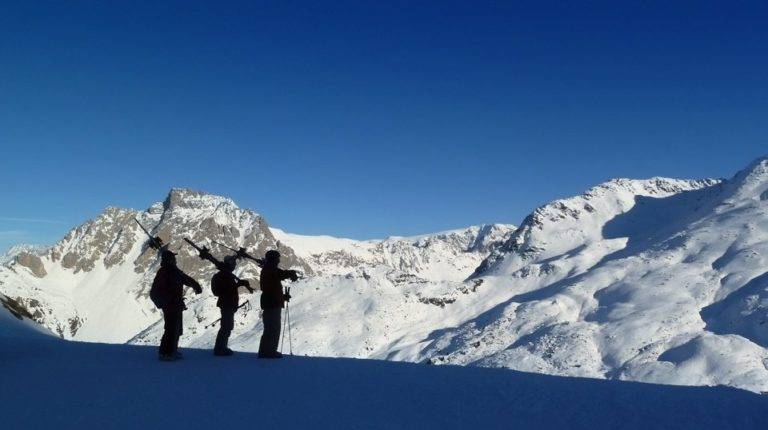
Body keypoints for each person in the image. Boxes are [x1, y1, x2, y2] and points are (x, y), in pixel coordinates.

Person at [149, 249, 202, 361]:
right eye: (173, 258)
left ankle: (172, 350)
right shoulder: (164, 272)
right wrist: (167, 299)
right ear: (169, 259)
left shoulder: (173, 270)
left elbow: (185, 278)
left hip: (176, 303)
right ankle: (165, 353)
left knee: (176, 329)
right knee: (170, 328)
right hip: (170, 304)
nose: (175, 260)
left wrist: (195, 285)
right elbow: (156, 290)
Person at [203, 253, 253, 356]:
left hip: (228, 304)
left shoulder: (225, 275)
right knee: (226, 326)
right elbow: (223, 290)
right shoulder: (224, 276)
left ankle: (222, 347)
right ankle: (220, 348)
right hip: (227, 304)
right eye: (233, 263)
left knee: (227, 326)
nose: (234, 265)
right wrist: (237, 285)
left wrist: (236, 285)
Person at [258, 250, 298, 359]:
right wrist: (290, 273)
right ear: (274, 259)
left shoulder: (269, 269)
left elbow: (273, 287)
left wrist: (282, 297)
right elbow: (279, 274)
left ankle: (265, 351)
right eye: (277, 258)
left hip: (271, 302)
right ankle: (269, 352)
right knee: (273, 328)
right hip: (272, 304)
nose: (279, 260)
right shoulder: (269, 269)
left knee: (270, 328)